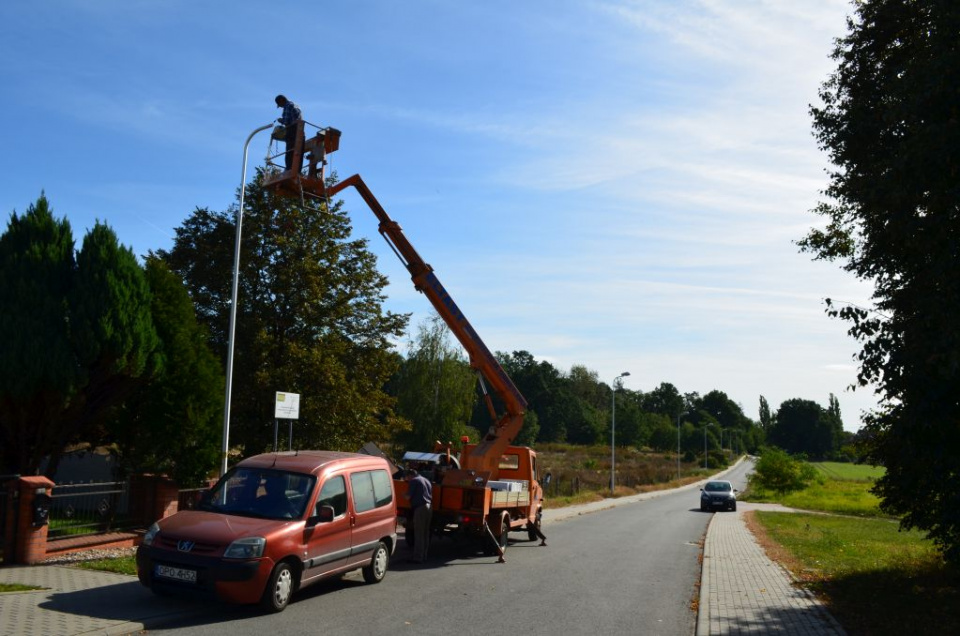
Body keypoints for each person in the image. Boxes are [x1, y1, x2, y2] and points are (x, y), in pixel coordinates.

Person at [405, 468, 433, 563]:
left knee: (419, 534)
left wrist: (402, 495)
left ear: (410, 475)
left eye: (407, 478)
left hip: (420, 508)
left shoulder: (414, 481)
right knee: (425, 533)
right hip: (429, 507)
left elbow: (408, 496)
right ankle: (424, 555)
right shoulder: (426, 480)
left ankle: (418, 557)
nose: (407, 480)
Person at [274, 94, 303, 173]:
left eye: (279, 105)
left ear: (281, 101)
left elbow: (286, 121)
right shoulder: (295, 105)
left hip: (292, 130)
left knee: (289, 151)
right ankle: (297, 170)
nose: (280, 107)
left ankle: (289, 169)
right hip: (300, 130)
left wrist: (281, 120)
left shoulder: (287, 106)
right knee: (298, 152)